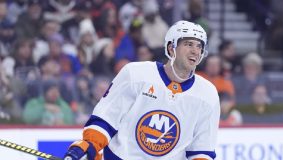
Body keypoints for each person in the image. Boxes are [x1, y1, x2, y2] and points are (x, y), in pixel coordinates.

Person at [63, 20, 220, 160]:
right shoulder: (136, 74)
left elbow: (202, 149)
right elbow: (107, 119)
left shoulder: (208, 94)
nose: (195, 51)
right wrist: (89, 145)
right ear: (171, 48)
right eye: (189, 44)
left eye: (199, 46)